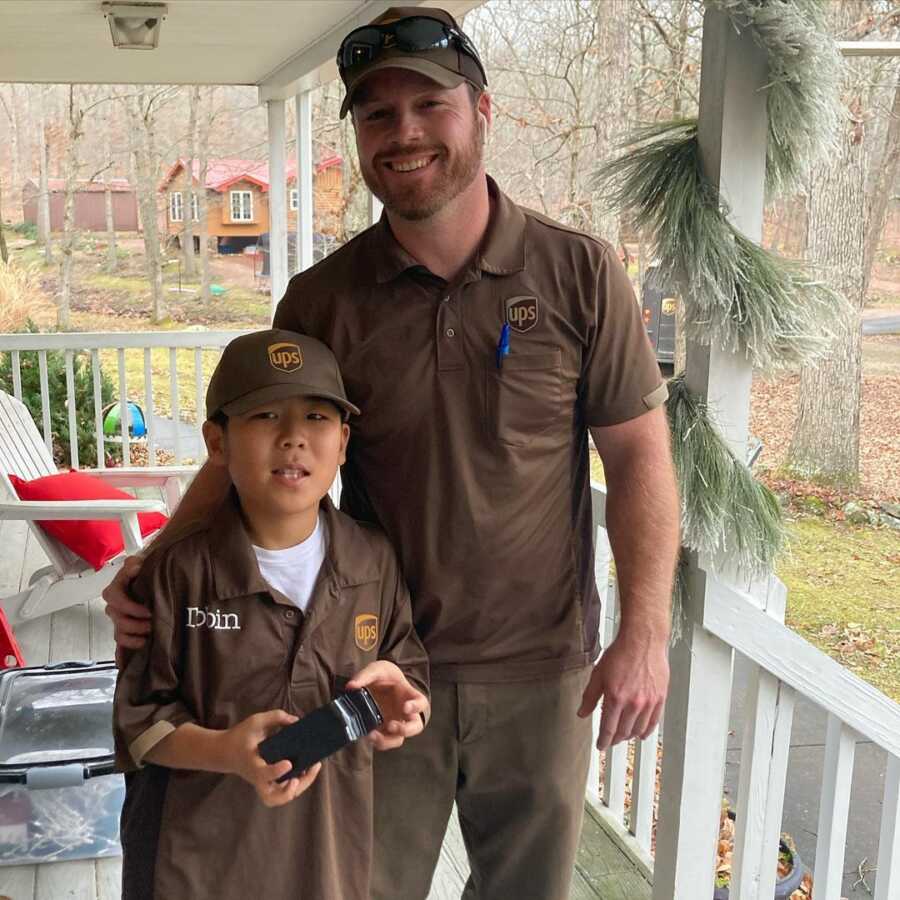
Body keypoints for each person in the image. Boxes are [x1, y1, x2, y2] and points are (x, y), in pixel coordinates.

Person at [105, 7, 680, 898]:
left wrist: (645, 631)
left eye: (429, 105)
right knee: (362, 886)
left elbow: (639, 457)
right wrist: (155, 564)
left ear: (481, 111)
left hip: (542, 670)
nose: (404, 133)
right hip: (367, 674)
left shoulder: (577, 273)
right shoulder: (324, 300)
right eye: (377, 114)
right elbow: (246, 459)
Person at [113, 329, 429, 900]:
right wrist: (226, 751)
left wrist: (406, 704)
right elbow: (139, 723)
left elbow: (407, 668)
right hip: (194, 858)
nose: (293, 438)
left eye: (316, 417)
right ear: (217, 441)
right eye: (263, 416)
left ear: (344, 441)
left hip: (327, 853)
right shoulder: (180, 572)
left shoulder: (372, 561)